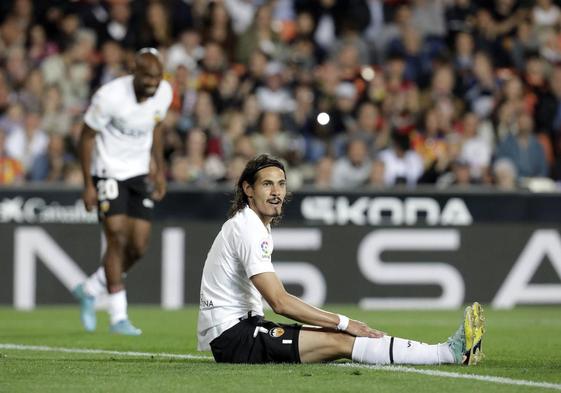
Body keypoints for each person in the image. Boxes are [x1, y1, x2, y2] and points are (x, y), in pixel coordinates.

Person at [197, 154, 486, 365]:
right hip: (235, 337)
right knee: (341, 338)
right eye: (267, 185)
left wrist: (339, 324)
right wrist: (344, 322)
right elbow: (280, 302)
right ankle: (447, 353)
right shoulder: (247, 227)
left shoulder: (252, 224)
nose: (276, 193)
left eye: (282, 184)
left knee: (337, 337)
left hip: (243, 329)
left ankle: (448, 352)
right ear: (248, 189)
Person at [73, 48, 172, 336]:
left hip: (139, 172)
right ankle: (118, 315)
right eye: (148, 76)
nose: (154, 82)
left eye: (158, 76)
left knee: (138, 246)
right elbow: (86, 137)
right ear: (135, 73)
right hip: (107, 171)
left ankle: (90, 288)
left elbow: (156, 126)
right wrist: (88, 183)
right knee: (116, 236)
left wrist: (158, 167)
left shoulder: (164, 92)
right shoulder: (110, 97)